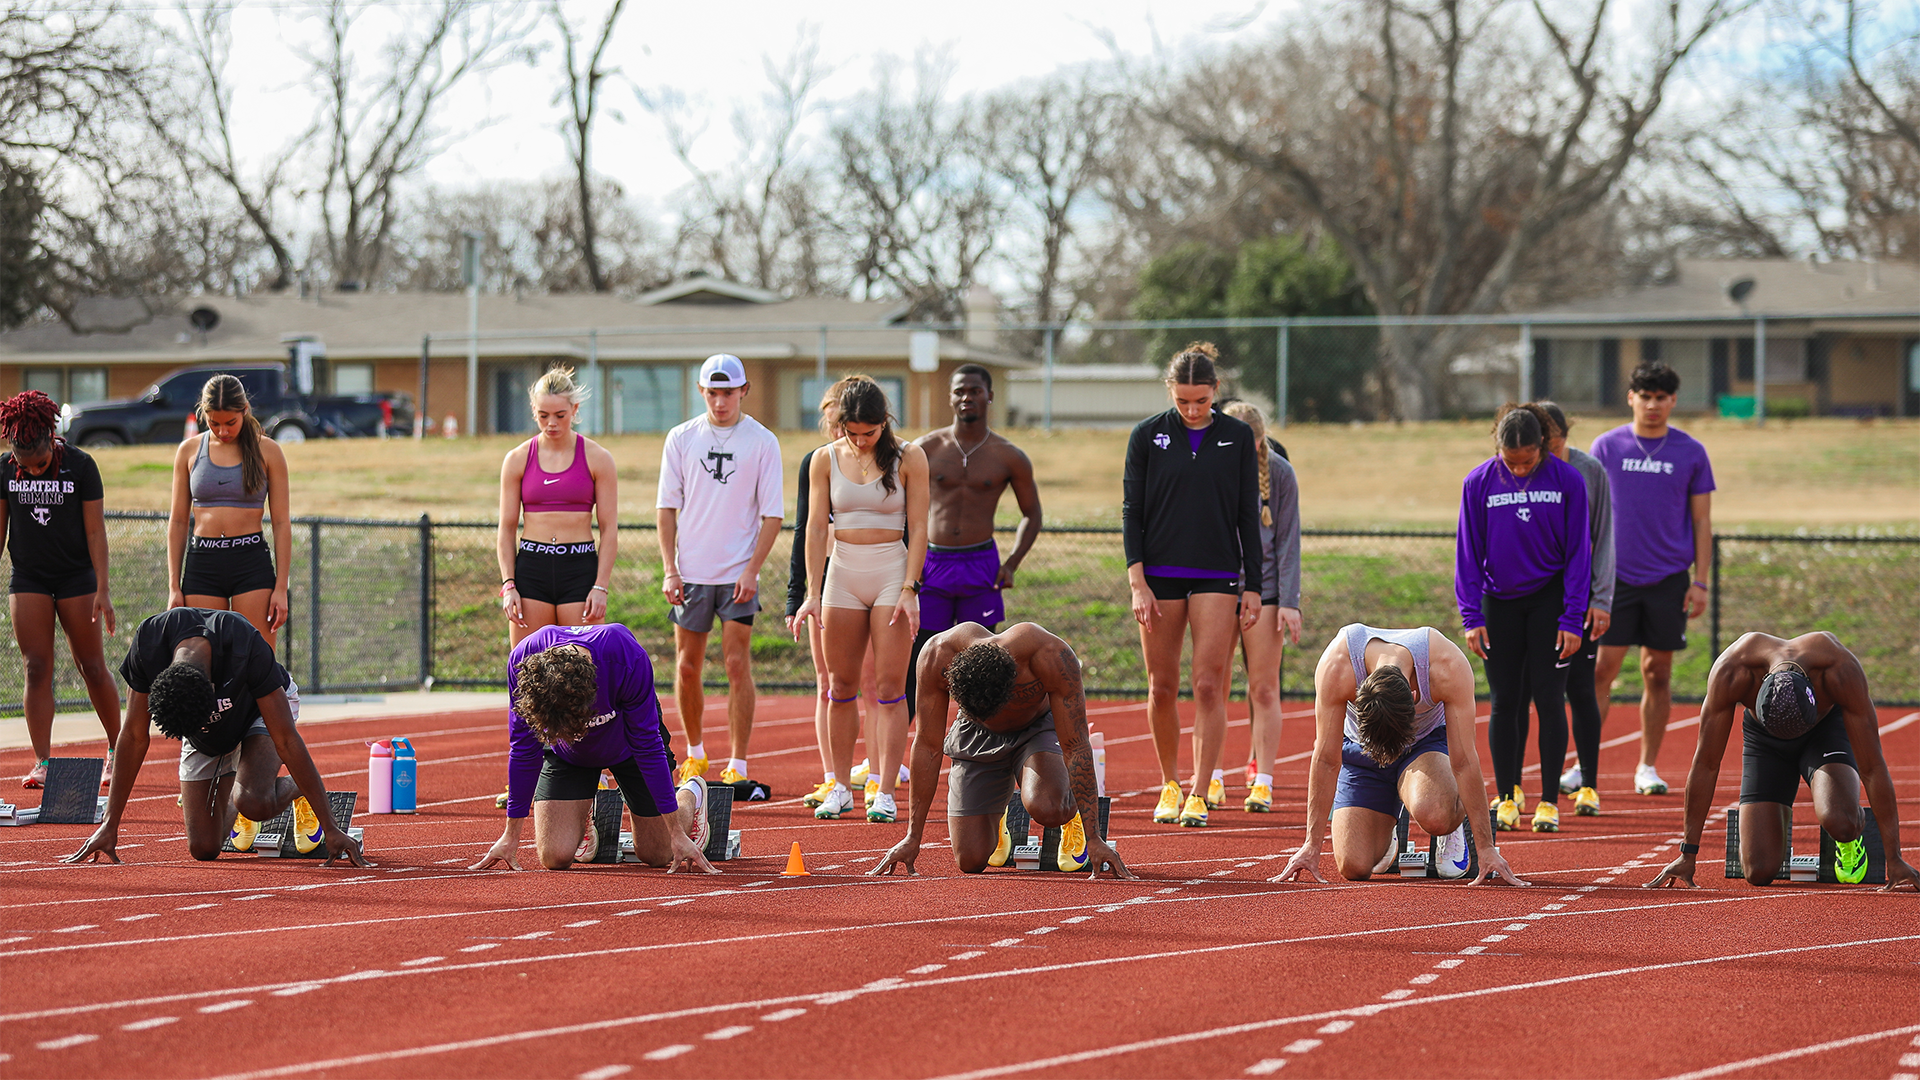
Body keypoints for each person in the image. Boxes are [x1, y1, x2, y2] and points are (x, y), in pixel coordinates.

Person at [66, 608, 369, 866]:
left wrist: (330, 827)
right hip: (203, 727)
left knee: (254, 801)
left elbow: (286, 740)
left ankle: (289, 791)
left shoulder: (244, 643)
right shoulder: (149, 644)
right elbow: (133, 736)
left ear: (212, 690)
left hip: (257, 710)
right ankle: (240, 790)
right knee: (204, 848)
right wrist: (110, 823)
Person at [1645, 632, 1918, 891]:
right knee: (1759, 871)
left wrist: (1894, 859)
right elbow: (1706, 763)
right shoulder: (1732, 670)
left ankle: (1849, 836)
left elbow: (1872, 767)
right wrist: (1688, 854)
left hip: (1823, 736)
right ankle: (1775, 818)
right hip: (1765, 744)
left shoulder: (1839, 669)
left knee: (1840, 820)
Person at [1122, 342, 1263, 828]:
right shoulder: (1145, 436)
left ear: (1216, 391)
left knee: (1208, 684)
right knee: (1162, 688)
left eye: (1201, 401)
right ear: (1170, 392)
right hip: (1159, 575)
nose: (1192, 410)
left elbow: (1249, 514)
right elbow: (1131, 512)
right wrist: (1136, 580)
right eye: (1183, 401)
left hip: (1217, 573)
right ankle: (1169, 783)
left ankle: (1200, 791)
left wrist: (1254, 585)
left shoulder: (1238, 437)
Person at [869, 622, 1132, 879]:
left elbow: (1075, 746)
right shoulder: (937, 655)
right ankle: (1000, 810)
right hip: (975, 732)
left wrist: (1094, 837)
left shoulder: (1051, 655)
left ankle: (1067, 808)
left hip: (1037, 729)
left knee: (1050, 808)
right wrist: (912, 837)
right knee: (970, 860)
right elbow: (927, 746)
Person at [1273, 623, 1524, 886]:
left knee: (1435, 814)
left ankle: (1451, 818)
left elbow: (1464, 761)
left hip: (1423, 745)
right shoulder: (1337, 666)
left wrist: (1486, 848)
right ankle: (1389, 834)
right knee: (1354, 866)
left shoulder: (1446, 665)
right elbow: (1325, 758)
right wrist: (1311, 846)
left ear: (1415, 696)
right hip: (1364, 749)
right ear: (1358, 700)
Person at [790, 376, 929, 824]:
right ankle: (838, 786)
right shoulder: (823, 460)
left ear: (884, 423)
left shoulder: (911, 457)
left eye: (869, 433)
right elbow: (813, 528)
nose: (861, 440)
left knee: (889, 689)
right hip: (843, 574)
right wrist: (812, 593)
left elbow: (921, 526)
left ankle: (884, 790)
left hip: (891, 569)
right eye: (852, 432)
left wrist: (910, 588)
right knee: (839, 687)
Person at [471, 624, 716, 873]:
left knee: (657, 853)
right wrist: (510, 835)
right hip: (567, 753)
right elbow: (524, 749)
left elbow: (648, 746)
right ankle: (585, 814)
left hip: (628, 745)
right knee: (554, 857)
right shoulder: (523, 664)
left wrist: (676, 831)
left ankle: (691, 796)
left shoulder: (626, 656)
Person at [1456, 405, 1589, 834]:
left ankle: (1550, 800)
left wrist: (1572, 617)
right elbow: (1468, 552)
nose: (1518, 468)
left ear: (1544, 449)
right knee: (1504, 701)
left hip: (1550, 601)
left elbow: (1578, 554)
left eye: (1527, 461)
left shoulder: (1568, 481)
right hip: (1499, 602)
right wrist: (1472, 614)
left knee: (1550, 699)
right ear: (1497, 448)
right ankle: (1508, 795)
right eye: (1510, 461)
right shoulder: (1477, 482)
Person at [656, 354, 784, 788]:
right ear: (700, 392)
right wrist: (670, 569)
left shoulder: (763, 441)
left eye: (728, 392)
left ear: (744, 391)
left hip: (737, 575)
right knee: (687, 666)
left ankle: (739, 764)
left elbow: (772, 515)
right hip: (691, 572)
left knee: (735, 663)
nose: (720, 400)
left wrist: (752, 570)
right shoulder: (681, 437)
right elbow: (666, 507)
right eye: (712, 392)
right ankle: (694, 755)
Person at [1588, 361, 1714, 797]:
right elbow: (1588, 516)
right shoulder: (1605, 447)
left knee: (1657, 673)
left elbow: (1702, 522)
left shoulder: (1691, 452)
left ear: (1673, 401)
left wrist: (1700, 582)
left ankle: (1647, 766)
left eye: (1662, 397)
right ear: (1631, 398)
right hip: (1613, 580)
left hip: (1668, 580)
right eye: (1646, 396)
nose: (1653, 405)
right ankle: (1582, 765)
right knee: (1602, 669)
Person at [0, 391, 120, 790]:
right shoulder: (4, 470)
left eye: (40, 464)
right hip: (29, 577)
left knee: (91, 665)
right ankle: (42, 760)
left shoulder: (81, 465)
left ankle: (116, 750)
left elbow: (95, 531)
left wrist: (103, 588)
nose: (32, 472)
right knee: (36, 667)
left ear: (52, 442)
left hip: (76, 577)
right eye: (24, 466)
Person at [906, 363, 1042, 700]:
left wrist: (1011, 563)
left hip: (980, 564)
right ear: (950, 397)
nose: (967, 397)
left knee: (982, 664)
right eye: (959, 391)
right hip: (931, 563)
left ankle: (978, 746)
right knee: (923, 659)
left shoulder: (1009, 455)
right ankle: (913, 745)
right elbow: (900, 508)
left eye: (975, 391)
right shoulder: (924, 448)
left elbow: (1032, 514)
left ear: (989, 396)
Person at [788, 379, 883, 809]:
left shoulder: (885, 460)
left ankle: (877, 774)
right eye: (829, 418)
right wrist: (799, 594)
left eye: (836, 416)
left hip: (869, 575)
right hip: (824, 581)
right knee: (827, 682)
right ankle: (833, 778)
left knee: (871, 682)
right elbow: (804, 533)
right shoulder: (819, 462)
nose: (834, 425)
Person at [1531, 401, 1614, 816]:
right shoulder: (1522, 469)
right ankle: (1519, 790)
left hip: (1579, 600)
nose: (1553, 452)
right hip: (1533, 601)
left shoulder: (1589, 471)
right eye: (1547, 445)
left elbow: (1603, 539)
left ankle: (1589, 784)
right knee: (1539, 695)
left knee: (1582, 688)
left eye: (1559, 443)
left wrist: (1600, 599)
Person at [166, 374, 292, 648]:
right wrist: (174, 586)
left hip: (250, 563)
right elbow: (177, 521)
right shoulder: (188, 451)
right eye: (214, 423)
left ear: (244, 410)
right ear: (203, 414)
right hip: (203, 564)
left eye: (230, 423)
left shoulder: (268, 451)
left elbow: (281, 523)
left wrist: (281, 588)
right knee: (202, 661)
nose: (222, 431)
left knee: (257, 661)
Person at [496, 367, 618, 648]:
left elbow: (610, 529)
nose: (551, 423)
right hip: (532, 569)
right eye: (543, 416)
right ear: (533, 410)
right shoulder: (517, 459)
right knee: (528, 670)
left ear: (574, 409)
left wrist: (601, 586)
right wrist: (509, 585)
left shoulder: (598, 458)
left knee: (581, 672)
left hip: (579, 569)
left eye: (560, 415)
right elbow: (506, 529)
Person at [1220, 401, 1301, 814]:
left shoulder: (1281, 474)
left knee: (1264, 688)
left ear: (1258, 441)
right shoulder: (1211, 466)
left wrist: (1289, 602)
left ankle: (1263, 780)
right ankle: (1210, 777)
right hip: (1215, 590)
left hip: (1265, 591)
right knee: (1210, 686)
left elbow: (1288, 542)